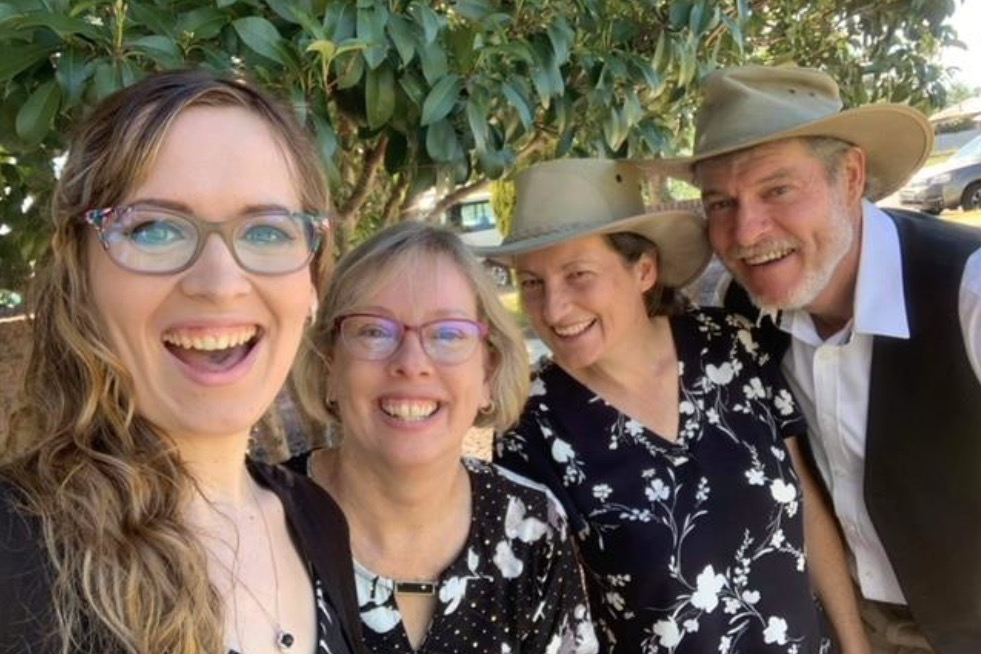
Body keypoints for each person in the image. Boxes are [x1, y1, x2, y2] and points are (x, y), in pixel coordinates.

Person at [0, 70, 364, 654]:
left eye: (266, 232)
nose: (220, 284)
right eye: (155, 229)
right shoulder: (15, 555)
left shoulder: (318, 523)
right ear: (80, 277)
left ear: (313, 282)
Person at [481, 158, 869, 654]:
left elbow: (807, 511)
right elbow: (550, 614)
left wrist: (856, 644)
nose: (553, 309)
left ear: (644, 269)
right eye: (531, 282)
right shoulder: (531, 425)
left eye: (578, 274)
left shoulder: (731, 345)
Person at [657, 64, 981, 654]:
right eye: (721, 203)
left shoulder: (969, 291)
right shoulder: (747, 312)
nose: (747, 231)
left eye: (777, 189)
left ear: (851, 176)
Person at [290, 222, 598, 654]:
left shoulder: (532, 528)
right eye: (375, 330)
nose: (412, 363)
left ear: (487, 373)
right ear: (328, 367)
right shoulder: (257, 523)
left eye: (448, 333)